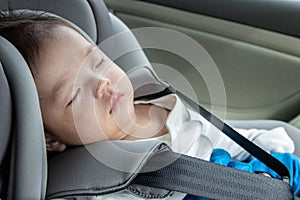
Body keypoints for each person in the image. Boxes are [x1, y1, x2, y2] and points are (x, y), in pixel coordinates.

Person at [0, 12, 299, 199]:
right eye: (75, 95)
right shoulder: (93, 187)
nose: (103, 83)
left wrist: (270, 160)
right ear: (50, 139)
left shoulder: (163, 104)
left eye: (99, 61)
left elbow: (235, 142)